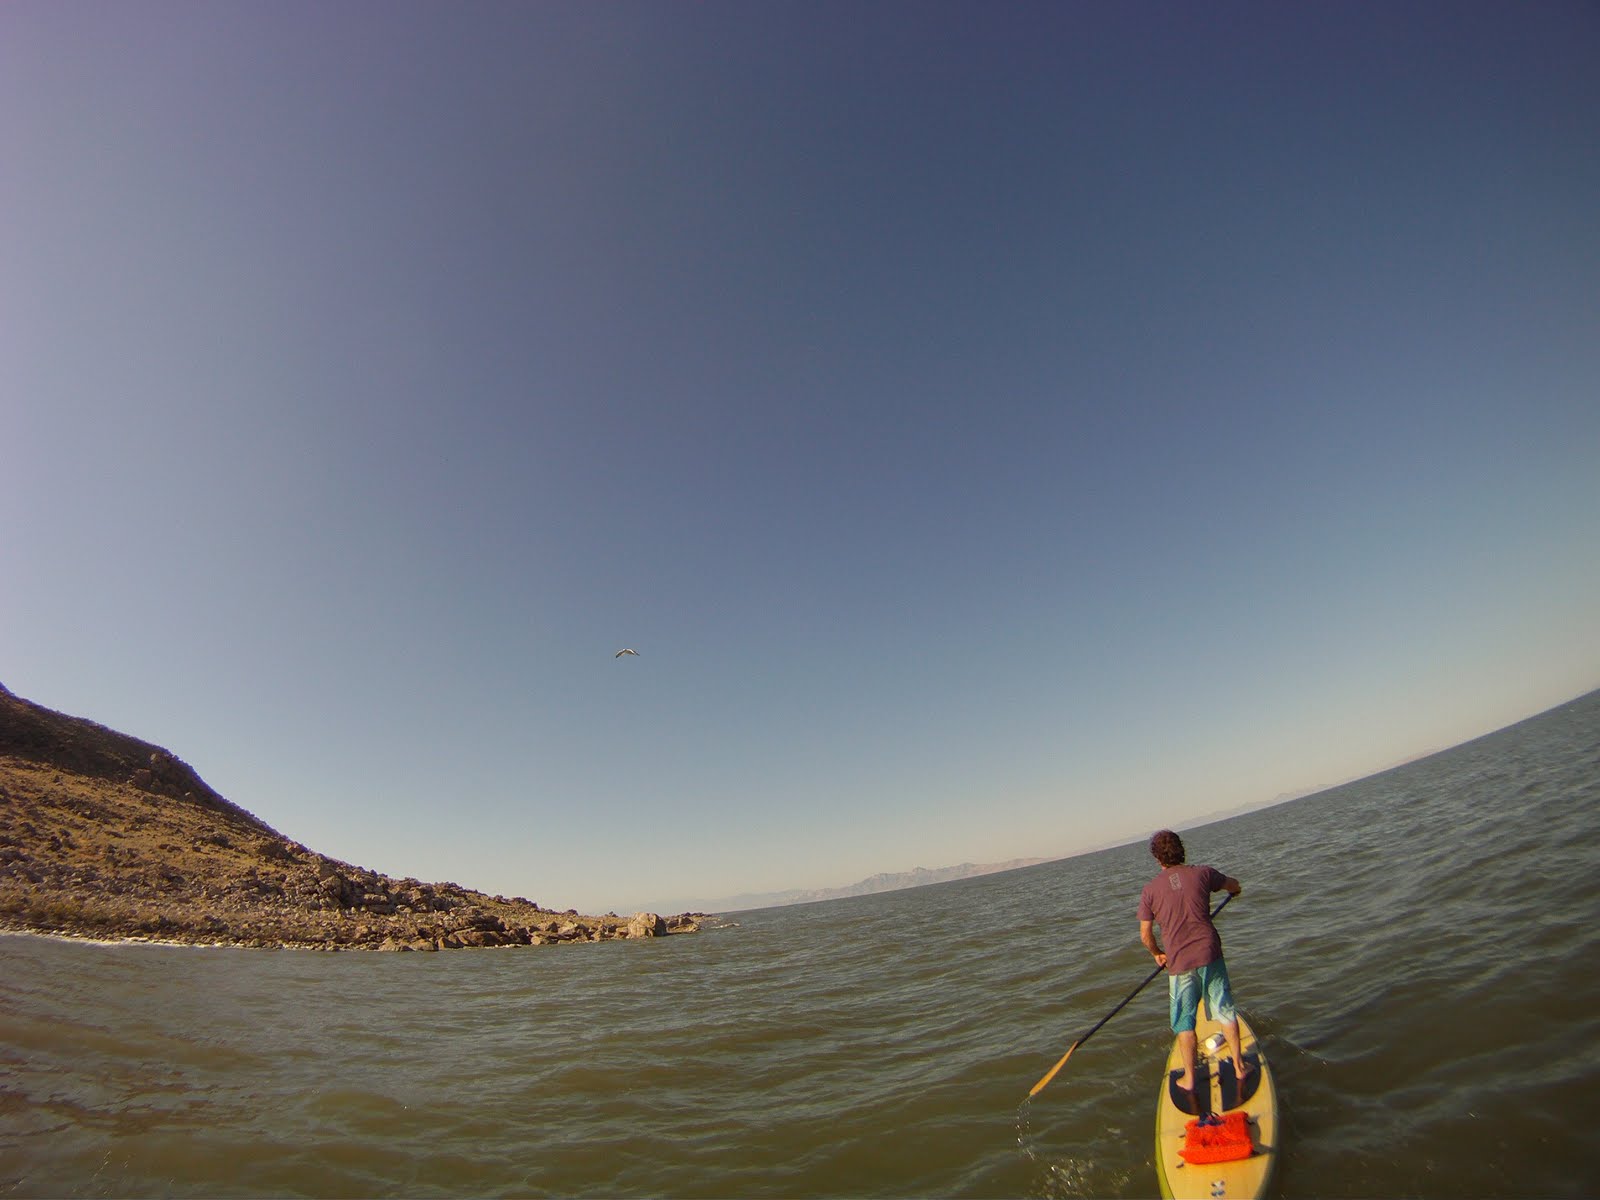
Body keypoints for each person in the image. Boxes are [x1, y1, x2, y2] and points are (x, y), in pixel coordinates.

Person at [1137, 829, 1246, 1098]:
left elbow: (1145, 934)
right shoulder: (1204, 873)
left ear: (1157, 859)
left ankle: (1189, 1078)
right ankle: (1240, 1067)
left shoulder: (1150, 891)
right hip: (1210, 954)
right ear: (1181, 850)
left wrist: (1157, 953)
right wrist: (1235, 890)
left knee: (1184, 1023)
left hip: (1179, 964)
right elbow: (1234, 885)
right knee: (1225, 1009)